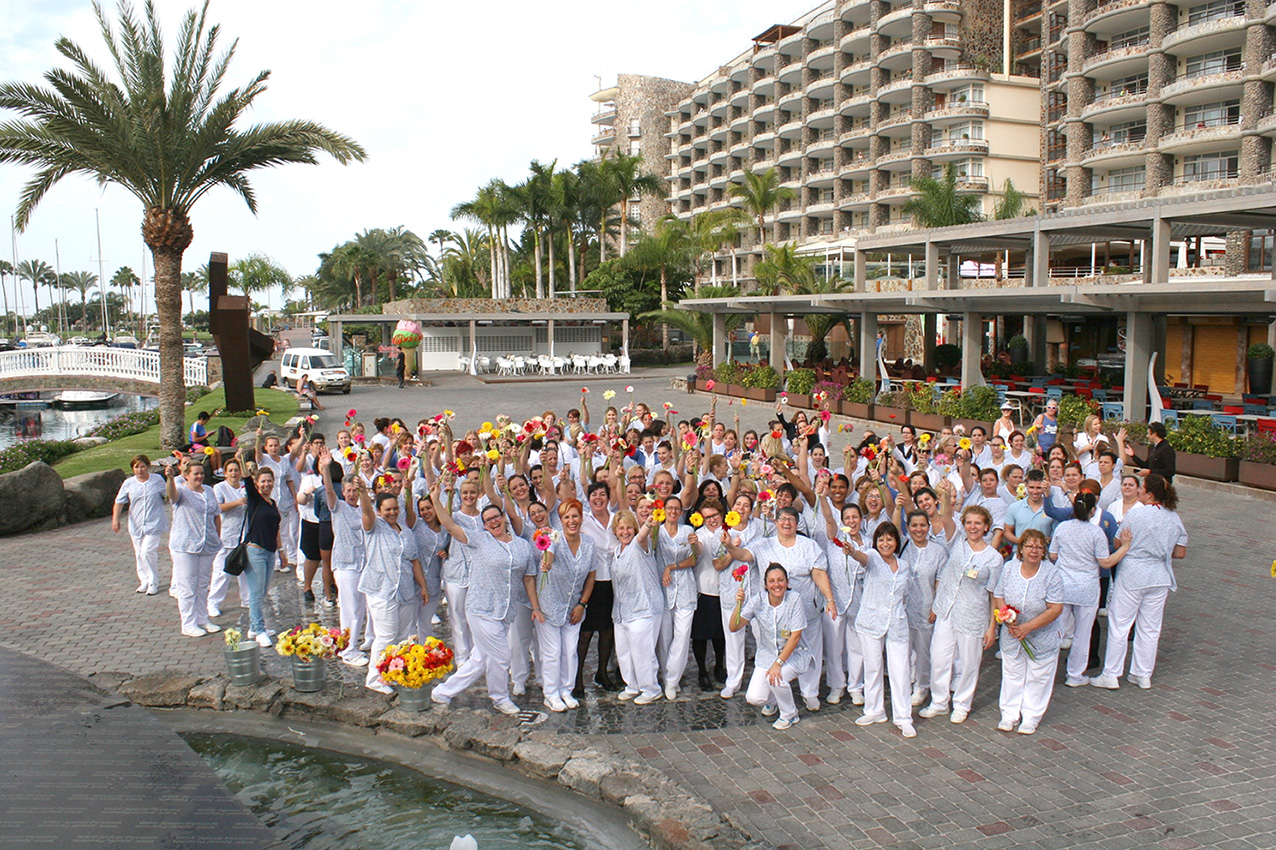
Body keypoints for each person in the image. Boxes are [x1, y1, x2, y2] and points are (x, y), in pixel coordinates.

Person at [431, 484, 536, 714]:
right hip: (481, 609)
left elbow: (528, 578)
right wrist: (436, 499)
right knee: (500, 655)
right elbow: (449, 525)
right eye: (487, 520)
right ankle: (500, 698)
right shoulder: (479, 541)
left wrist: (535, 607)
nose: (493, 522)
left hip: (506, 611)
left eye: (495, 517)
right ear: (484, 525)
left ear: (502, 517)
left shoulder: (522, 546)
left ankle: (442, 692)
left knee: (479, 660)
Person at [725, 506, 835, 712]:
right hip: (771, 615)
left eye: (791, 519)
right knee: (770, 650)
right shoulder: (763, 545)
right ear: (775, 522)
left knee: (809, 650)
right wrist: (729, 546)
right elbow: (742, 555)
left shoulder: (809, 546)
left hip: (806, 610)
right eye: (782, 519)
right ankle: (773, 698)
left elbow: (819, 574)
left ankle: (810, 693)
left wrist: (829, 599)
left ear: (796, 523)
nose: (786, 523)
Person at [1092, 474, 1187, 690]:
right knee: (1150, 627)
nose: (1140, 492)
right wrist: (1160, 549)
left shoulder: (1136, 515)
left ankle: (1111, 673)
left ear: (1149, 493)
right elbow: (1180, 552)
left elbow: (1118, 541)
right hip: (1160, 575)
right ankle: (1142, 673)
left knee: (1120, 624)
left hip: (1133, 573)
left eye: (1142, 488)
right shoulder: (1173, 518)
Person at [920, 505, 1001, 724]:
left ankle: (962, 704)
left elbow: (995, 595)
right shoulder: (956, 543)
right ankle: (939, 701)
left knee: (968, 663)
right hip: (946, 608)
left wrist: (992, 627)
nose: (973, 527)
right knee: (939, 657)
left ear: (986, 527)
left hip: (972, 614)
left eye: (978, 523)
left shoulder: (993, 559)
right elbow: (944, 518)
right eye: (969, 522)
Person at [1048, 491, 1131, 686]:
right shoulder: (1096, 533)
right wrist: (1124, 547)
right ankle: (1075, 675)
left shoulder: (1062, 527)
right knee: (1082, 635)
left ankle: (1047, 671)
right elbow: (1105, 562)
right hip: (1086, 587)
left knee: (1055, 631)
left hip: (1062, 585)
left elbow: (1053, 555)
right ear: (1093, 510)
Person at [843, 522, 917, 738]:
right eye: (881, 539)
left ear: (896, 542)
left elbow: (906, 593)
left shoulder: (904, 566)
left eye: (890, 539)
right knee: (873, 667)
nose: (886, 543)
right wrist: (852, 551)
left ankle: (904, 717)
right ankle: (874, 710)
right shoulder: (872, 557)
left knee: (900, 671)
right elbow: (861, 557)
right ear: (876, 542)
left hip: (897, 623)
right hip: (871, 621)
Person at [358, 477, 426, 694]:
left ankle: (392, 672)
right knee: (385, 635)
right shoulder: (375, 527)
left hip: (405, 589)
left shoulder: (405, 531)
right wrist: (362, 493)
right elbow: (367, 514)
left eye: (395, 509)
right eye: (387, 509)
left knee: (402, 635)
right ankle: (375, 677)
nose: (392, 512)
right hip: (382, 588)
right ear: (379, 510)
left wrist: (422, 586)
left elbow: (414, 560)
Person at [993, 530, 1065, 734]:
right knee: (1012, 674)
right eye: (1029, 546)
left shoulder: (1051, 574)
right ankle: (1009, 714)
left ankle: (1031, 716)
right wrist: (1006, 616)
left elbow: (1055, 608)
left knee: (1038, 677)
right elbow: (999, 594)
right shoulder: (1009, 569)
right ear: (1021, 549)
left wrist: (1028, 627)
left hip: (1042, 636)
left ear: (1044, 551)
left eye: (1039, 547)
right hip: (1012, 634)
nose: (1034, 551)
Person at [531, 500, 596, 712]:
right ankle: (550, 693)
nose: (571, 521)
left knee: (570, 650)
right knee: (552, 651)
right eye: (566, 517)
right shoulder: (553, 537)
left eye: (575, 516)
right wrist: (547, 562)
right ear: (561, 520)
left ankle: (566, 690)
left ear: (581, 518)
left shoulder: (589, 543)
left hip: (573, 606)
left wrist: (582, 604)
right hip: (549, 605)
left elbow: (591, 575)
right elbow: (548, 552)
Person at [730, 563, 811, 731]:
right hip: (767, 655)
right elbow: (734, 627)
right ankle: (772, 701)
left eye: (780, 580)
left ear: (787, 582)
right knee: (754, 697)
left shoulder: (794, 599)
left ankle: (790, 714)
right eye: (772, 581)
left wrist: (778, 664)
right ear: (766, 584)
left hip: (794, 654)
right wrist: (739, 604)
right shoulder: (758, 600)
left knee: (776, 678)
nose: (776, 585)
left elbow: (795, 637)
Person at [609, 509, 665, 704]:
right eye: (621, 528)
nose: (625, 532)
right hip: (622, 610)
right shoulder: (617, 552)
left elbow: (642, 536)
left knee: (643, 651)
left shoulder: (639, 544)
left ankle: (651, 688)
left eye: (628, 528)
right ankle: (632, 685)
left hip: (644, 607)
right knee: (624, 651)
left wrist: (648, 524)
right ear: (615, 531)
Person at [321, 450, 369, 665]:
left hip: (362, 563)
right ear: (343, 490)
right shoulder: (338, 507)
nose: (351, 494)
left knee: (360, 607)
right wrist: (325, 469)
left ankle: (358, 642)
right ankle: (348, 649)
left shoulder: (362, 510)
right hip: (345, 564)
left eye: (354, 490)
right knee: (350, 609)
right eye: (348, 490)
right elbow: (329, 491)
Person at [165, 460, 222, 637]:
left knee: (202, 583)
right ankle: (188, 623)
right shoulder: (181, 490)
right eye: (195, 474)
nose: (199, 476)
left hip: (207, 544)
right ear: (187, 475)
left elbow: (216, 515)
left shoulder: (209, 491)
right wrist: (169, 478)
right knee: (187, 585)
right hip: (186, 545)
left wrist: (217, 536)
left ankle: (202, 618)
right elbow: (172, 496)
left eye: (201, 473)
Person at [655, 495, 699, 700]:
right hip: (663, 590)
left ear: (681, 512)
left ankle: (673, 680)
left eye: (677, 509)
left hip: (685, 588)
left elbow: (695, 557)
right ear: (664, 510)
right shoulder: (657, 531)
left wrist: (672, 566)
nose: (673, 512)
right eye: (669, 508)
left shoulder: (688, 531)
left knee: (682, 637)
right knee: (665, 638)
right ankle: (667, 675)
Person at [112, 454, 168, 595]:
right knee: (139, 553)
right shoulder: (129, 483)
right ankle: (144, 580)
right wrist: (115, 519)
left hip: (154, 522)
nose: (140, 470)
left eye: (142, 466)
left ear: (148, 466)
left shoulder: (157, 480)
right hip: (136, 523)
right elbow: (119, 501)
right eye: (136, 467)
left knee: (147, 552)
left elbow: (168, 495)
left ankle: (154, 581)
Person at [241, 466, 283, 647]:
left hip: (270, 551)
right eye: (263, 481)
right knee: (256, 593)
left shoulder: (272, 503)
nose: (267, 484)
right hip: (255, 551)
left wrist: (281, 551)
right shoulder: (254, 500)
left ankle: (253, 626)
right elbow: (246, 480)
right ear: (257, 483)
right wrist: (242, 459)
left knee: (263, 591)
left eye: (269, 481)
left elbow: (276, 529)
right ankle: (259, 629)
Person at [207, 457, 250, 618]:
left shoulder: (245, 488)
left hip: (243, 535)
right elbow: (217, 508)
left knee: (246, 570)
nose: (234, 473)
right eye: (230, 471)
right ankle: (213, 603)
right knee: (221, 572)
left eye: (236, 470)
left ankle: (247, 599)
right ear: (225, 473)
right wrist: (237, 503)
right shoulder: (219, 488)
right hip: (225, 534)